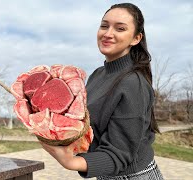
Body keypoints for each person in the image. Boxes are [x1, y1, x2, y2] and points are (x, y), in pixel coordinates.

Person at [40, 3, 164, 179]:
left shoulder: (133, 83)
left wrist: (70, 162)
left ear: (136, 38)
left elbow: (119, 153)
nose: (108, 33)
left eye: (120, 28)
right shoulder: (98, 74)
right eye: (104, 26)